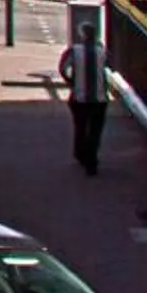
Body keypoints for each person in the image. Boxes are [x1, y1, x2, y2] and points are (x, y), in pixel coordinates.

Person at [58, 14, 109, 175]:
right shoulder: (102, 51)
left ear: (82, 35)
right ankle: (92, 159)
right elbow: (109, 68)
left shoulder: (74, 50)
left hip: (79, 97)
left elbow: (62, 68)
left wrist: (70, 81)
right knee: (95, 130)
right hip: (100, 98)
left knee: (80, 126)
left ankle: (81, 154)